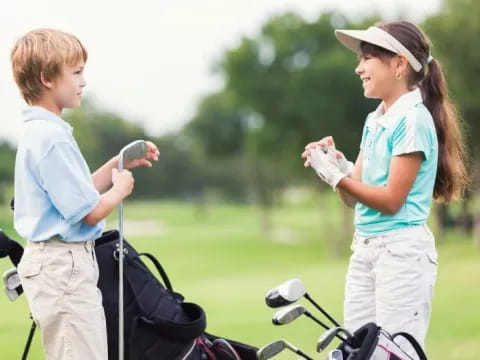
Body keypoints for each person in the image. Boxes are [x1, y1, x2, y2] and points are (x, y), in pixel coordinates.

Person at [301, 21, 469, 353]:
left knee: (395, 353)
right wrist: (337, 167)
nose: (358, 68)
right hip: (365, 249)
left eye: (367, 59)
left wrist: (336, 177)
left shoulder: (413, 120)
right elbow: (353, 196)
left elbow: (391, 200)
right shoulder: (376, 118)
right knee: (358, 352)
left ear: (399, 64)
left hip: (401, 254)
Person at [11, 28, 160, 360]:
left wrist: (116, 166)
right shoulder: (51, 137)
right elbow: (88, 211)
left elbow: (74, 195)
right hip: (63, 268)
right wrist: (119, 190)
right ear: (47, 78)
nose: (84, 81)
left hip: (59, 266)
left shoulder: (42, 132)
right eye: (76, 72)